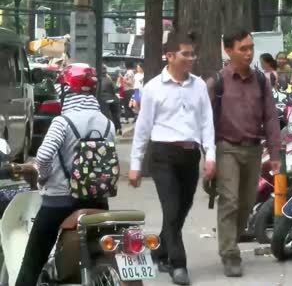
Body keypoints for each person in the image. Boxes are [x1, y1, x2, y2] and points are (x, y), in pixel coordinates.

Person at [16, 64, 114, 286]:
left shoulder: (62, 122)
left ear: (68, 90)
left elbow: (43, 156)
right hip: (97, 203)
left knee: (32, 260)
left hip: (59, 203)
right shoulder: (107, 124)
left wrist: (42, 176)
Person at [129, 31, 215, 285]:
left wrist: (210, 156)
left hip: (189, 155)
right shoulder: (153, 88)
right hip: (162, 155)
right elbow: (142, 128)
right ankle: (178, 264)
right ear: (169, 56)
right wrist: (135, 165)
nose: (191, 59)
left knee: (182, 209)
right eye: (185, 54)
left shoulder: (198, 85)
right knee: (172, 208)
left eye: (192, 54)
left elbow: (206, 123)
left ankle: (160, 249)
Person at [206, 28, 281, 278]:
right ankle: (229, 253)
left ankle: (231, 241)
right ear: (229, 51)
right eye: (243, 49)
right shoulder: (216, 82)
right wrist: (208, 157)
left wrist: (275, 154)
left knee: (247, 204)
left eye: (251, 48)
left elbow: (271, 118)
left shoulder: (261, 80)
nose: (249, 53)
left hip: (254, 149)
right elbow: (205, 122)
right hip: (226, 147)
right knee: (230, 200)